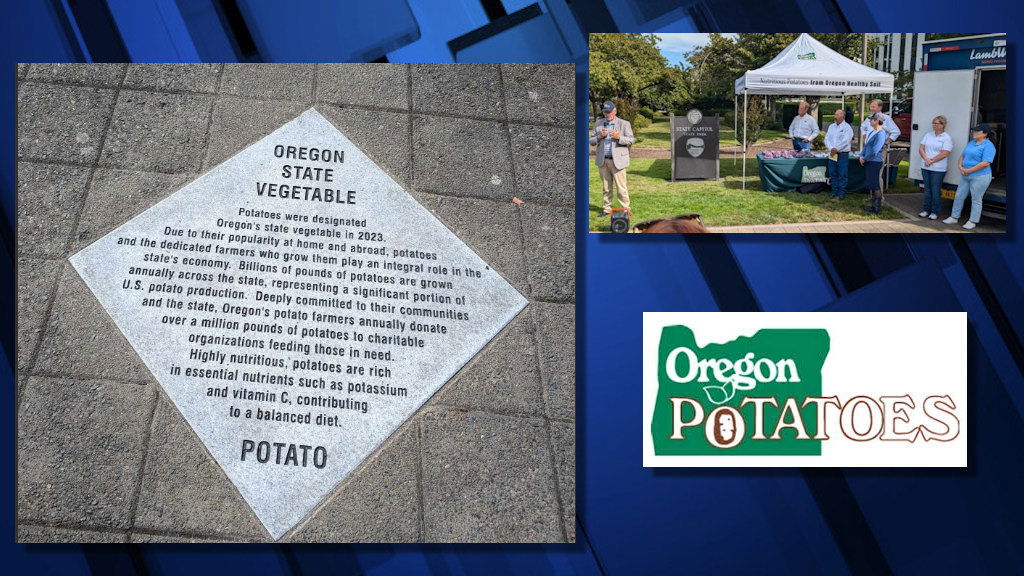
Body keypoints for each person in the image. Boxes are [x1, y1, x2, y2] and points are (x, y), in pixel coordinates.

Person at [943, 123, 997, 230]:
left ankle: (972, 221)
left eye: (977, 131)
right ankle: (954, 217)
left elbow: (985, 163)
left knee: (976, 199)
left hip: (980, 176)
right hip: (966, 175)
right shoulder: (971, 143)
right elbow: (962, 156)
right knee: (959, 196)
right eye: (974, 131)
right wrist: (960, 167)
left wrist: (969, 170)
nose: (974, 132)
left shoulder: (988, 146)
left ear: (985, 134)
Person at [590, 100, 634, 216]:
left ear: (615, 111)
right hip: (603, 160)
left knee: (621, 188)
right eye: (605, 112)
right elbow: (591, 141)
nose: (607, 114)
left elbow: (631, 140)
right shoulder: (598, 123)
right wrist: (599, 136)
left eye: (609, 112)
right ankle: (607, 209)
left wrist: (619, 137)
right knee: (606, 187)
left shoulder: (624, 124)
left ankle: (626, 209)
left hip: (618, 161)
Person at [918, 115, 953, 220]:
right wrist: (926, 159)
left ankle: (934, 212)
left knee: (935, 190)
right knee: (927, 190)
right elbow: (921, 148)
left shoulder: (947, 138)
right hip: (926, 166)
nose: (934, 125)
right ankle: (925, 210)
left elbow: (945, 153)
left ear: (942, 125)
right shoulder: (928, 135)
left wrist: (931, 160)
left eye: (936, 123)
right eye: (933, 123)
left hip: (938, 169)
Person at [824, 109, 853, 201]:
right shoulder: (831, 126)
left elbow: (846, 140)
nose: (835, 116)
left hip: (842, 154)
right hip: (832, 153)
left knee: (842, 174)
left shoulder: (847, 127)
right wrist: (831, 148)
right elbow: (827, 138)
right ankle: (834, 192)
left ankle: (841, 193)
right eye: (835, 114)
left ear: (842, 116)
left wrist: (837, 148)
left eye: (837, 115)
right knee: (833, 173)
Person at [859, 114, 886, 215]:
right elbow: (866, 146)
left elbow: (875, 150)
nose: (870, 121)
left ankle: (877, 209)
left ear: (877, 121)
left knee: (875, 185)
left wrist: (865, 158)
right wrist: (861, 156)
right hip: (869, 161)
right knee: (872, 184)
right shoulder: (872, 132)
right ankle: (873, 206)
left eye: (871, 120)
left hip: (875, 162)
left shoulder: (881, 133)